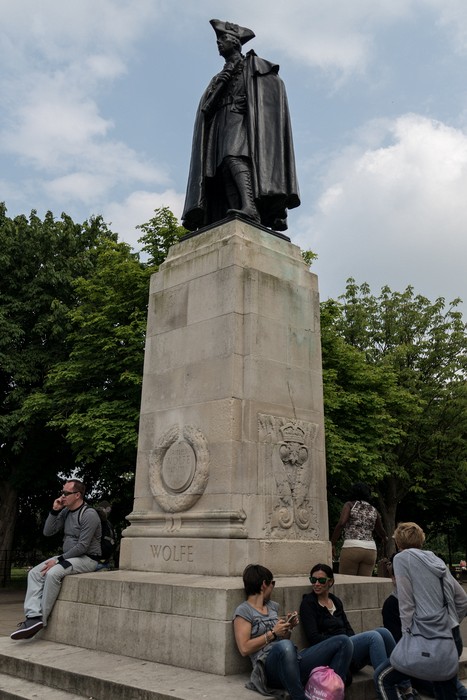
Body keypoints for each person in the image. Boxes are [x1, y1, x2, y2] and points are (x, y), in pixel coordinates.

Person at [182, 19, 300, 234]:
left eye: (223, 39)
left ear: (235, 43)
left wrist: (255, 103)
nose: (219, 44)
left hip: (242, 120)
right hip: (220, 121)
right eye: (217, 41)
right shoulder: (219, 77)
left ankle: (250, 207)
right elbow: (206, 108)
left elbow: (270, 92)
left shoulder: (255, 66)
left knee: (232, 157)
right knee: (221, 167)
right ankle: (237, 209)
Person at [374, 522, 467, 700]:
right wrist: (451, 622)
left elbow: (406, 603)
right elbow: (462, 599)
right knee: (446, 691)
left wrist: (408, 637)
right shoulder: (436, 560)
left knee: (382, 678)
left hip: (426, 636)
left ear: (398, 543)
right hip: (451, 636)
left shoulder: (401, 558)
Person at [233, 564, 353, 700]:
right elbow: (244, 648)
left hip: (293, 661)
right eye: (272, 582)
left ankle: (329, 693)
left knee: (343, 641)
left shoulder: (272, 607)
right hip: (268, 668)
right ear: (263, 585)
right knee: (285, 646)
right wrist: (273, 632)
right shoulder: (243, 611)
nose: (273, 586)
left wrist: (288, 627)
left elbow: (284, 640)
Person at [10, 479, 101, 640]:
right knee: (34, 573)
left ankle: (40, 620)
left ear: (77, 495)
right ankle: (32, 617)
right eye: (62, 492)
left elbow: (83, 546)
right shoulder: (66, 512)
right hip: (70, 556)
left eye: (66, 493)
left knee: (52, 574)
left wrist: (58, 560)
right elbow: (48, 532)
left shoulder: (89, 514)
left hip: (87, 559)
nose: (62, 496)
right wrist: (54, 510)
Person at [300, 563, 395, 691]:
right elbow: (313, 637)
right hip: (333, 652)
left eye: (321, 580)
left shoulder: (336, 601)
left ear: (330, 582)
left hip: (348, 647)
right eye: (313, 580)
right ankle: (386, 687)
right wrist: (342, 641)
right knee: (373, 637)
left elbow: (348, 628)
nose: (316, 583)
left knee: (383, 632)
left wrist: (352, 643)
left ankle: (405, 684)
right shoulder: (308, 604)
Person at [331, 482, 388, 576]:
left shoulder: (349, 505)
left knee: (347, 582)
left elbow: (341, 523)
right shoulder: (373, 510)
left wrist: (332, 543)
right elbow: (380, 530)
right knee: (364, 584)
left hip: (352, 547)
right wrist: (385, 538)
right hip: (370, 549)